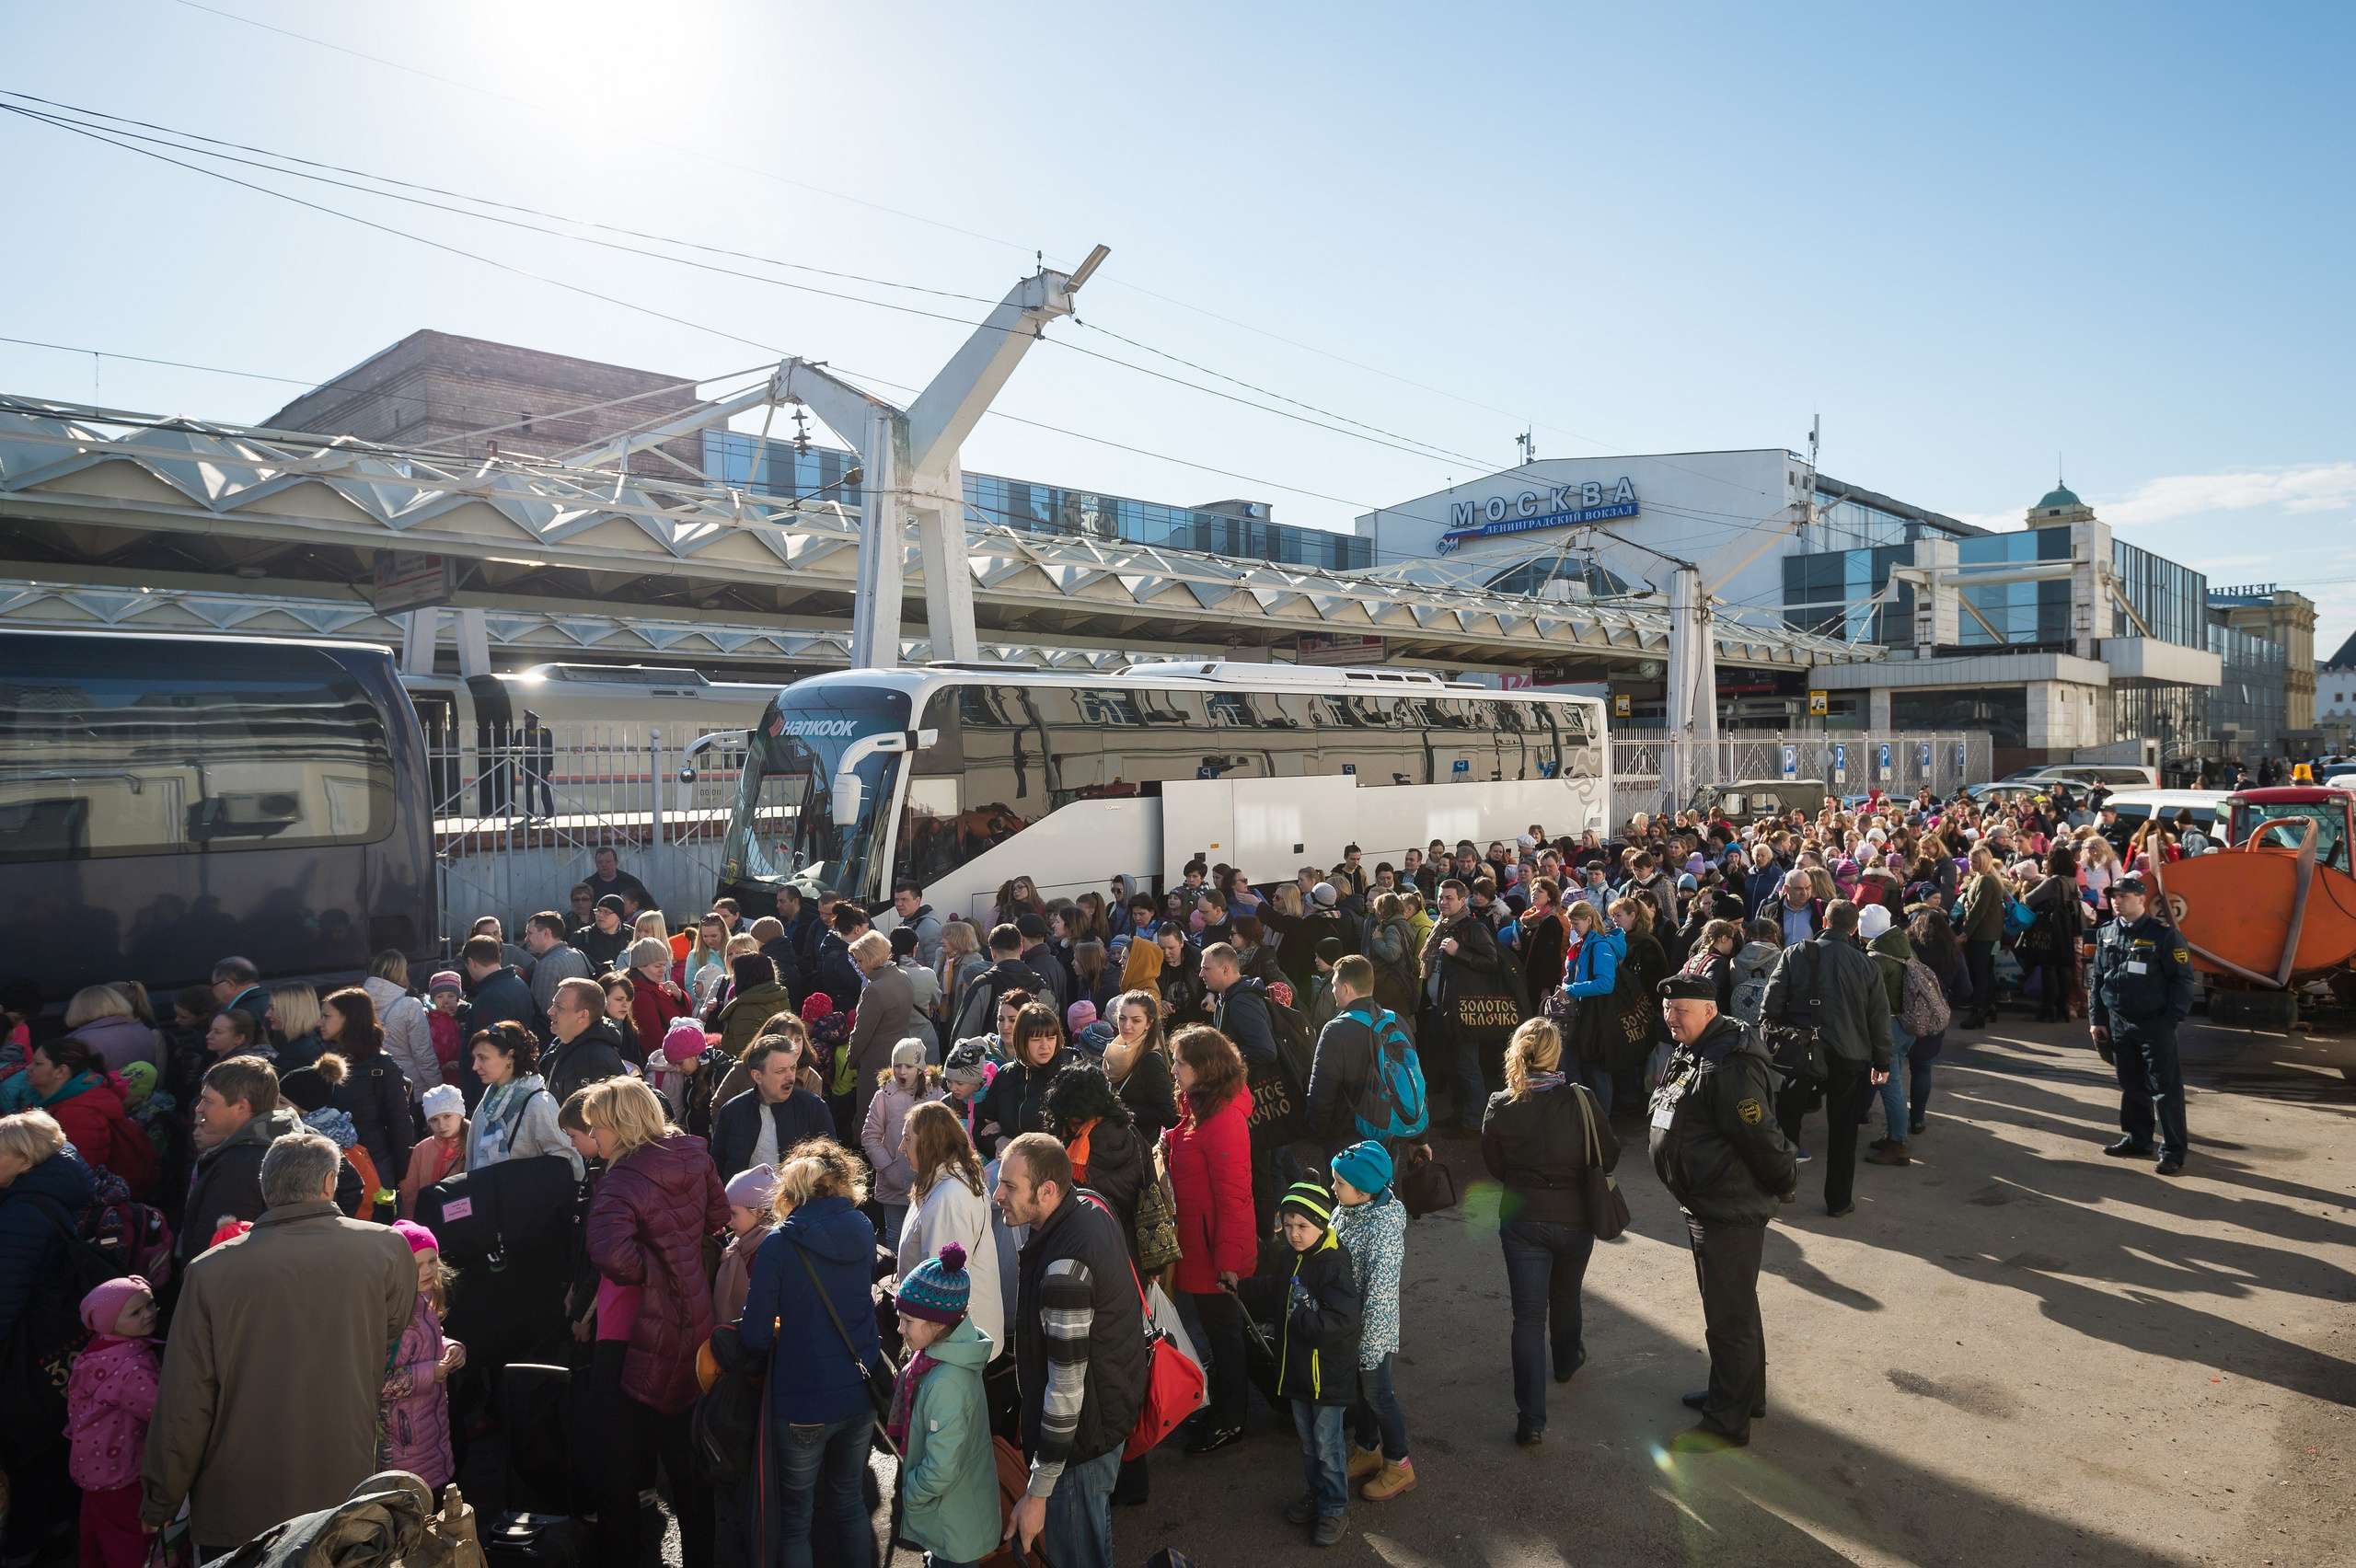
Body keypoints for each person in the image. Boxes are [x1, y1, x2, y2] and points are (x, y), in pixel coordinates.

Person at [142, 1133, 418, 1561]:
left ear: (265, 1187)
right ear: (330, 1183)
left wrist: (161, 1497)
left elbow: (186, 1397)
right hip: (341, 1496)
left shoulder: (209, 1270)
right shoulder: (386, 1247)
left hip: (238, 1505)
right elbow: (389, 1331)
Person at [581, 1077, 729, 1568]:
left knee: (617, 1468)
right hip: (692, 1320)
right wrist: (674, 1260)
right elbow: (718, 1215)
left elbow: (609, 1252)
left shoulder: (621, 1178)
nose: (593, 1140)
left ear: (619, 1126)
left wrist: (656, 1269)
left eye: (596, 1129)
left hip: (630, 1329)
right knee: (687, 1467)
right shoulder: (693, 1155)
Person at [1647, 972, 1797, 1452]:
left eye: (1681, 1010)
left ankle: (1725, 1423)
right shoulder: (1696, 1049)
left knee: (1727, 1318)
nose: (1672, 1018)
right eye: (1668, 1010)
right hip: (1707, 1201)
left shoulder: (1727, 1065)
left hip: (1726, 1207)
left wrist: (1784, 1180)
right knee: (1738, 1307)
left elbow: (1762, 1136)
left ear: (1709, 1010)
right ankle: (1741, 1394)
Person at [992, 1133, 1145, 1568]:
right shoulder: (1089, 1205)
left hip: (1079, 1447)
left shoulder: (1064, 1272)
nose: (998, 1194)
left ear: (1048, 1190)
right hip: (1104, 1418)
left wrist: (1038, 1491)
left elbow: (1065, 1387)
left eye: (1010, 1186)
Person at [741, 1138, 884, 1568]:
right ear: (842, 1182)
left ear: (791, 1190)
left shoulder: (778, 1244)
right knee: (848, 1502)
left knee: (796, 1519)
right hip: (860, 1390)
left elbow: (755, 1333)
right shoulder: (862, 1229)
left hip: (802, 1397)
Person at [1480, 1018, 1617, 1447]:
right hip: (1576, 1217)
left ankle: (1531, 1420)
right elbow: (1608, 1156)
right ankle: (1564, 1361)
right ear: (1557, 1055)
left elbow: (1494, 1165)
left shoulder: (1500, 1104)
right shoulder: (1582, 1099)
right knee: (1567, 1294)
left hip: (1521, 1220)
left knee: (1527, 1317)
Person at [1234, 1177, 1361, 1548]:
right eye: (1288, 1225)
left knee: (1327, 1443)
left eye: (1303, 1226)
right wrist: (1241, 1286)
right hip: (1298, 1370)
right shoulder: (1293, 1255)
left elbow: (1343, 1320)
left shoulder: (1333, 1265)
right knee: (1309, 1442)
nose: (1294, 1233)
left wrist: (1300, 1320)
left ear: (1321, 1224)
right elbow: (1278, 1286)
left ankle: (1335, 1506)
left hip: (1326, 1377)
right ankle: (1317, 1494)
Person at [0, 1111, 99, 1562]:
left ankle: (22, 1548)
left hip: (23, 1353)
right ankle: (56, 1525)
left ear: (24, 1161)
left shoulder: (23, 1213)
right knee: (48, 1444)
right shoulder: (49, 1190)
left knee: (24, 1454)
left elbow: (5, 1298)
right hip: (51, 1351)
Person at [1761, 901, 1890, 1218]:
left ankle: (1783, 1188)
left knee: (1787, 1120)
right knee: (1843, 1128)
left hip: (1800, 1052)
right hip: (1849, 1055)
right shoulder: (1866, 965)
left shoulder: (1795, 954)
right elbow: (1879, 1020)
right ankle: (1839, 1201)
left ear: (1826, 920)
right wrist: (1882, 1062)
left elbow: (1769, 1007)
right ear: (1853, 928)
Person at [1161, 1026, 1254, 1456]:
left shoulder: (1224, 1120)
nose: (1174, 1068)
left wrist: (1228, 1264)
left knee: (1224, 1336)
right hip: (1201, 1247)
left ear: (1205, 1069)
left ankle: (1232, 1420)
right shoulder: (1202, 1106)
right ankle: (1221, 1406)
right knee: (1218, 1334)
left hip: (1215, 1255)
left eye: (1180, 1062)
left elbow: (1235, 1199)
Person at [890, 1244, 999, 1568]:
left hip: (954, 1524)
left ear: (938, 1324)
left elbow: (941, 1467)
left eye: (908, 1321)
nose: (900, 1329)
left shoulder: (946, 1382)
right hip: (956, 1514)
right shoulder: (943, 1356)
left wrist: (910, 1493)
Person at [2089, 875, 2196, 1176]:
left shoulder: (2164, 935)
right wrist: (2097, 1019)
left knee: (2165, 1089)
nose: (2117, 901)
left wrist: (2170, 1019)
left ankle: (2173, 1151)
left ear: (2140, 900)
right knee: (2132, 1085)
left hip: (2154, 1023)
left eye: (2124, 896)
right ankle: (2138, 1139)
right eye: (2114, 896)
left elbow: (2183, 980)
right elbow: (2097, 979)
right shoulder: (2107, 932)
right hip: (2119, 1022)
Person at [1332, 1140, 1413, 1503]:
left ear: (1363, 1191)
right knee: (1363, 1395)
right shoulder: (1347, 1210)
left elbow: (1380, 1297)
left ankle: (1399, 1464)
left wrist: (1368, 1346)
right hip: (1352, 1327)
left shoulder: (1382, 1232)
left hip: (1371, 1333)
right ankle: (1367, 1450)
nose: (1333, 1189)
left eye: (1339, 1184)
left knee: (1379, 1396)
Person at [68, 1275, 161, 1568]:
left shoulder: (98, 1351)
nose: (148, 1313)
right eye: (135, 1312)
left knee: (95, 1537)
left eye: (150, 1304)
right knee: (130, 1544)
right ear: (109, 1321)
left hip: (92, 1471)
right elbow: (162, 1409)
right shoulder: (130, 1367)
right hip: (123, 1474)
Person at [378, 1221, 463, 1491]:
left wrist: (451, 1347)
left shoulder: (424, 1301)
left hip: (432, 1436)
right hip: (402, 1451)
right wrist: (429, 1374)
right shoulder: (390, 1317)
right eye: (416, 1266)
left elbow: (429, 1342)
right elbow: (375, 1385)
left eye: (433, 1260)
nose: (427, 1270)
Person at [16, 1036, 156, 1198]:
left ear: (61, 1071)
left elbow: (74, 1175)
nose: (28, 1067)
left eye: (38, 1064)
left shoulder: (78, 1114)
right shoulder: (46, 1102)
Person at [1421, 879, 1507, 1129]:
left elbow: (1492, 962)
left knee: (1467, 1066)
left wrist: (1459, 952)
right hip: (1439, 1007)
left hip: (1463, 1010)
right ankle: (1459, 1114)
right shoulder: (1441, 925)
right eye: (1440, 897)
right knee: (1450, 1065)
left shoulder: (1473, 928)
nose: (1443, 902)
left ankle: (1474, 1122)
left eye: (1449, 898)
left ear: (1462, 901)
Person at [318, 986, 410, 1214]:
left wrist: (404, 1175)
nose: (319, 1022)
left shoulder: (381, 1067)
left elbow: (401, 1124)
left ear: (349, 1019)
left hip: (376, 1168)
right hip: (330, 1167)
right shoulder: (324, 1059)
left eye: (327, 1016)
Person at [711, 1033, 834, 1182]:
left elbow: (830, 1166)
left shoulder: (814, 1108)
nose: (790, 1077)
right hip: (742, 1204)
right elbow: (717, 1169)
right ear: (757, 1076)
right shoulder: (732, 1111)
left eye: (793, 1068)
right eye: (781, 1071)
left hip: (798, 1203)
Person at [467, 1023, 583, 1180]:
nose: (475, 1066)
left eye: (483, 1058)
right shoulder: (489, 1101)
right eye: (474, 1058)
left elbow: (569, 1159)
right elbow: (472, 1161)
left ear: (510, 1056)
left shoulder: (538, 1102)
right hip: (487, 1198)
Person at [863, 1040, 944, 1248]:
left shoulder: (935, 1094)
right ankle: (893, 1280)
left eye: (908, 1066)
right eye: (897, 1065)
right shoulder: (883, 1096)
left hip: (926, 1181)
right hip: (893, 1183)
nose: (902, 1071)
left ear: (920, 1069)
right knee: (895, 1237)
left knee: (924, 1238)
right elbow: (870, 1136)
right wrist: (889, 1169)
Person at [1899, 909, 1970, 1143]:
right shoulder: (1953, 955)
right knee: (1922, 1068)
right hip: (1933, 1019)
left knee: (1890, 1069)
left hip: (1902, 1014)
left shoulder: (1906, 950)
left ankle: (1872, 1115)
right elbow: (1966, 991)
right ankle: (1917, 1119)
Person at [975, 1003, 1069, 1154]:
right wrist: (999, 1140)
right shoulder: (1006, 1075)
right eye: (1036, 1039)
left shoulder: (1068, 1078)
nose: (1045, 1046)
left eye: (1051, 1038)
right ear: (1021, 1039)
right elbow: (981, 1126)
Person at [846, 931, 915, 1124]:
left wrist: (851, 1060)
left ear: (872, 958)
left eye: (860, 961)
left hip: (875, 1064)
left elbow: (860, 1035)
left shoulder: (875, 989)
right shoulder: (903, 977)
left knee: (873, 1121)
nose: (858, 966)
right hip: (900, 1059)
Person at [1100, 990, 1179, 1147]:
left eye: (1136, 1020)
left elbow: (1167, 1113)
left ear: (1149, 1023)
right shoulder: (1121, 1046)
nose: (1126, 1026)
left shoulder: (1150, 1060)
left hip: (1138, 1147)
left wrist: (1119, 1108)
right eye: (1122, 1018)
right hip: (1118, 1142)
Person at [541, 975, 630, 1107]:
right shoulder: (563, 1043)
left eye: (559, 1007)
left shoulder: (592, 1061)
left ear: (582, 1015)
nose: (550, 1011)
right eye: (553, 1004)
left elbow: (588, 1123)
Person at [399, 1083, 469, 1218]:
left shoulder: (474, 1144)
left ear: (460, 1114)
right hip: (428, 1219)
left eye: (447, 1116)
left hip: (463, 1222)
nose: (441, 1125)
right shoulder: (422, 1149)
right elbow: (410, 1194)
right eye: (434, 1120)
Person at [61, 985, 160, 1077]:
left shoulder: (78, 1041)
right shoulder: (143, 1030)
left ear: (78, 1009)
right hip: (143, 1094)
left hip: (103, 1094)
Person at [1958, 847, 2008, 1028]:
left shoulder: (1986, 880)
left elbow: (1979, 909)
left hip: (1983, 933)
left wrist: (1965, 932)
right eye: (1970, 861)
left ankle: (1978, 1011)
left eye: (1975, 862)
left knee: (1979, 972)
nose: (1972, 865)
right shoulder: (1986, 877)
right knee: (1985, 970)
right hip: (1988, 931)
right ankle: (1988, 1006)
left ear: (1984, 861)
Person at [712, 953, 795, 1059]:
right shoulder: (779, 998)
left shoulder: (745, 1010)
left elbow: (748, 1056)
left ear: (743, 977)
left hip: (750, 1072)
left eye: (735, 974)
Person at [524, 915, 595, 1035]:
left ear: (546, 933)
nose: (526, 939)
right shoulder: (576, 954)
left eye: (530, 933)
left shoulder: (548, 964)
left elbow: (543, 1015)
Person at [584, 846, 654, 913]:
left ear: (616, 862)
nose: (604, 865)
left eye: (608, 861)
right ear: (596, 864)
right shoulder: (588, 885)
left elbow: (648, 905)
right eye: (600, 862)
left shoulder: (631, 882)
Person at [576, 894, 633, 974]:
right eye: (598, 911)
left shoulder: (631, 934)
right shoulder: (582, 937)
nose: (600, 915)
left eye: (606, 912)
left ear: (618, 916)